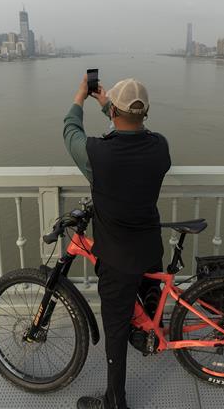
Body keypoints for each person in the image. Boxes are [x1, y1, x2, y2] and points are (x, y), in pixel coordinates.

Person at [63, 74, 171, 409]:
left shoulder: (99, 154)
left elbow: (70, 132)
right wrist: (108, 105)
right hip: (150, 248)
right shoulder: (160, 147)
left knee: (116, 329)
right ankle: (151, 332)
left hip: (118, 259)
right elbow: (134, 131)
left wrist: (80, 97)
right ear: (146, 113)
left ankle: (115, 400)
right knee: (150, 299)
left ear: (113, 113)